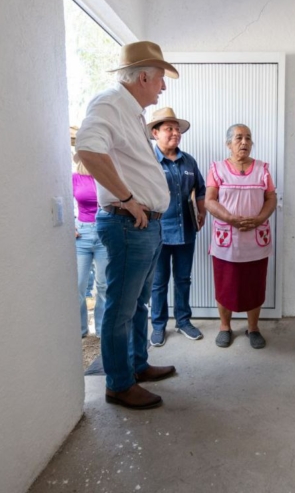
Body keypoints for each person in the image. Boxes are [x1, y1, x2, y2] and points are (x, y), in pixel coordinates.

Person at [75, 41, 179, 410]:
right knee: (120, 308)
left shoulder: (130, 111)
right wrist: (126, 198)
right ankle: (118, 384)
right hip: (127, 223)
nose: (163, 87)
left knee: (137, 304)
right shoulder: (109, 102)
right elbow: (87, 150)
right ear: (145, 76)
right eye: (161, 79)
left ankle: (136, 365)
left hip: (144, 225)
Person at [205, 124, 277, 349]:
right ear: (229, 144)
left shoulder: (263, 169)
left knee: (254, 284)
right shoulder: (217, 168)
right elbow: (209, 200)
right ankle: (225, 327)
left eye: (248, 138)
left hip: (255, 238)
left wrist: (259, 219)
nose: (244, 142)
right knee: (225, 284)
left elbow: (271, 198)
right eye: (238, 138)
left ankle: (253, 327)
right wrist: (230, 218)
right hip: (227, 239)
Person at [147, 107, 207, 347]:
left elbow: (200, 189)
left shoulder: (188, 160)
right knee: (159, 282)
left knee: (183, 279)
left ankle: (183, 321)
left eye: (177, 129)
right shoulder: (148, 160)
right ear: (155, 133)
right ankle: (158, 326)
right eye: (169, 128)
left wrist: (201, 211)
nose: (175, 133)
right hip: (157, 232)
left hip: (186, 231)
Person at [73, 153, 108, 338]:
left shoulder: (105, 178)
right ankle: (80, 329)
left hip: (103, 233)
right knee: (79, 285)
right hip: (82, 235)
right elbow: (61, 199)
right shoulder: (74, 178)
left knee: (103, 285)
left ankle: (102, 329)